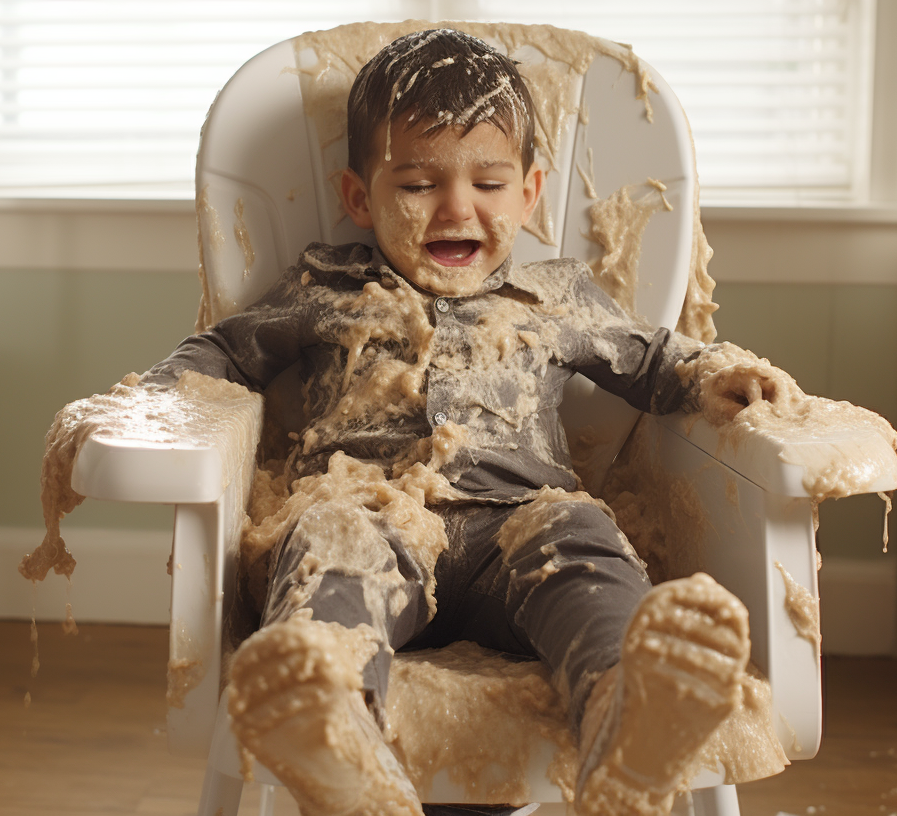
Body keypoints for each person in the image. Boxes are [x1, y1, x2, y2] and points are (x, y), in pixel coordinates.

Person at [144, 28, 779, 816]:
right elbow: (225, 354)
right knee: (329, 548)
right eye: (415, 185)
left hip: (521, 524)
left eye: (489, 183)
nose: (456, 208)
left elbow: (654, 360)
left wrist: (717, 374)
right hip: (373, 512)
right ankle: (332, 728)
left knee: (586, 545)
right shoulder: (325, 285)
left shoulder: (557, 297)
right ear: (358, 198)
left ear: (530, 192)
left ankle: (631, 714)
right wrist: (162, 399)